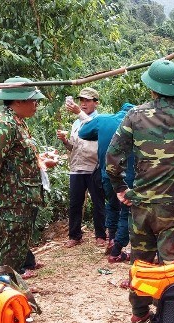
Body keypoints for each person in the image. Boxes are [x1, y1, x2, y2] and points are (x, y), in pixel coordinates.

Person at [105, 48, 174, 323]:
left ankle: (139, 312)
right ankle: (170, 314)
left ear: (151, 88)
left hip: (141, 203)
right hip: (173, 205)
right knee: (170, 263)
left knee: (140, 260)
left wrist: (119, 188)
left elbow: (113, 158)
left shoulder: (134, 116)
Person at [0, 76, 49, 279]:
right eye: (33, 100)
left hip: (22, 195)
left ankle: (13, 284)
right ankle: (0, 288)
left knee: (18, 245)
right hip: (14, 197)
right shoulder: (5, 124)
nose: (36, 104)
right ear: (18, 101)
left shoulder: (18, 122)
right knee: (13, 246)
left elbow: (16, 159)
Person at [79, 103, 136, 262]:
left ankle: (111, 238)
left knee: (111, 205)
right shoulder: (137, 122)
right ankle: (117, 249)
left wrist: (101, 134)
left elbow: (83, 132)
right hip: (128, 175)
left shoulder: (103, 119)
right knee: (127, 210)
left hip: (107, 174)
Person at [57, 87, 106, 248]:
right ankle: (75, 235)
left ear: (96, 103)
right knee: (75, 202)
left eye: (87, 100)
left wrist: (78, 112)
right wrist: (65, 141)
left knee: (98, 201)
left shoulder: (99, 120)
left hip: (94, 166)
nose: (83, 104)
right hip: (77, 167)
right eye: (81, 101)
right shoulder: (76, 123)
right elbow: (74, 147)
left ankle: (100, 235)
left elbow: (93, 127)